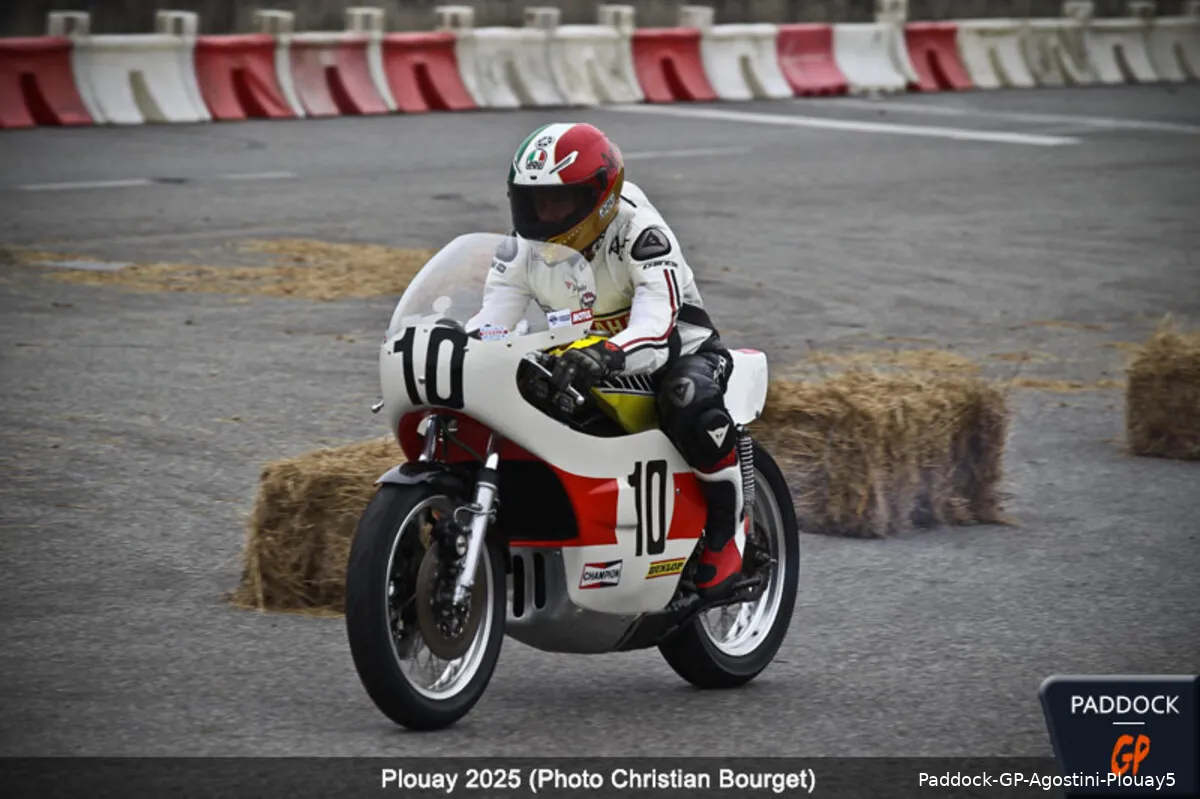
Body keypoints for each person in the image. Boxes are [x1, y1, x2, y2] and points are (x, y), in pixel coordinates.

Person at [467, 122, 747, 600]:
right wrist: (455, 345)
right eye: (534, 201)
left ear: (602, 197)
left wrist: (608, 353)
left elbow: (657, 325)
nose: (545, 214)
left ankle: (729, 529)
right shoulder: (521, 249)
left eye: (560, 200)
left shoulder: (641, 232)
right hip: (580, 356)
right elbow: (492, 322)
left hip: (677, 351)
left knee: (687, 397)